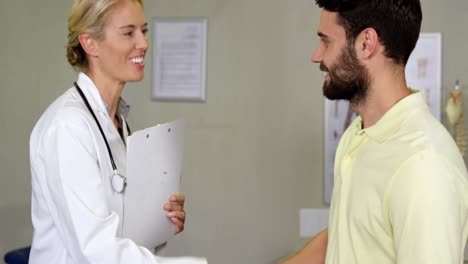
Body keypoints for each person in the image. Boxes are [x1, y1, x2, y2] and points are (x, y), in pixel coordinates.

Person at [283, 0, 468, 263]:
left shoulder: (424, 166)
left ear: (366, 43)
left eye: (326, 42)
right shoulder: (358, 135)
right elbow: (347, 235)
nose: (317, 56)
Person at [29, 0, 206, 263]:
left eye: (143, 31)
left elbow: (121, 229)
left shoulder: (117, 121)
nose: (144, 44)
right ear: (90, 43)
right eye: (128, 32)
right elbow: (96, 249)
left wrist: (159, 220)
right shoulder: (67, 127)